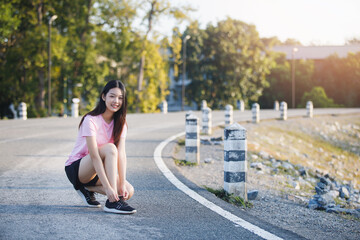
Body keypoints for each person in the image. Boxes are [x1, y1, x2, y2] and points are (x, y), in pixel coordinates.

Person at [65, 80, 136, 214]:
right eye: (112, 96)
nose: (116, 101)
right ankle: (111, 203)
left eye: (120, 98)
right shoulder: (90, 120)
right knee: (110, 148)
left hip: (96, 172)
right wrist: (109, 188)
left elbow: (121, 155)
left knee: (128, 191)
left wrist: (120, 185)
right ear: (103, 97)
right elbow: (95, 157)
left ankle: (86, 188)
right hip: (78, 168)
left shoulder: (121, 123)